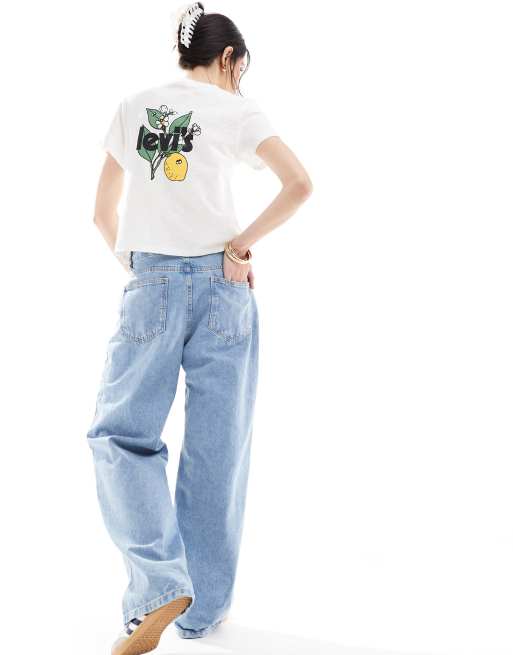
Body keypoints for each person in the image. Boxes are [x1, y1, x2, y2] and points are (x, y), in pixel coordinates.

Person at [86, 3, 313, 654]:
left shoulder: (134, 106)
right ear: (229, 59)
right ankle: (201, 610)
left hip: (152, 283)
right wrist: (240, 246)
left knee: (120, 436)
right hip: (224, 288)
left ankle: (160, 582)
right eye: (240, 69)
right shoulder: (238, 111)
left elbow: (102, 212)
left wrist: (140, 267)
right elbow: (299, 184)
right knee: (218, 448)